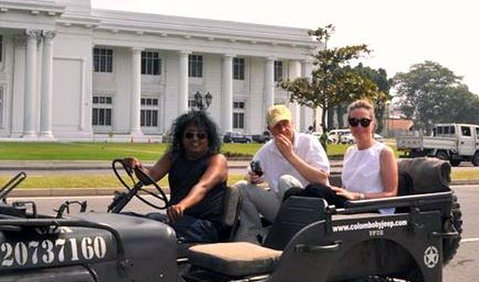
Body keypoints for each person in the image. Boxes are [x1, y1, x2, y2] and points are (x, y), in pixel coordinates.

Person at [122, 110, 228, 243]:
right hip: (177, 220)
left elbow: (202, 186)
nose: (195, 139)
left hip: (205, 227)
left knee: (152, 228)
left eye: (201, 135)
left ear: (209, 139)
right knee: (128, 220)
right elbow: (149, 177)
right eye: (189, 135)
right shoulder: (173, 156)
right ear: (182, 138)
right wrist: (136, 165)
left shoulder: (217, 160)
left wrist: (182, 205)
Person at [234, 104, 330, 242]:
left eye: (286, 124)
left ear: (293, 123)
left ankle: (290, 235)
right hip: (281, 208)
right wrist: (252, 177)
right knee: (240, 187)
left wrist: (290, 155)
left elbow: (321, 179)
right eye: (277, 126)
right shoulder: (267, 150)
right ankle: (253, 234)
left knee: (285, 181)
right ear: (270, 130)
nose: (283, 130)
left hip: (311, 208)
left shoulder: (309, 142)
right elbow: (249, 173)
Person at [331, 99, 398, 210]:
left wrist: (358, 197)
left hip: (373, 210)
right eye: (354, 122)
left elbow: (390, 194)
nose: (359, 127)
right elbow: (346, 188)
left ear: (373, 125)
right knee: (303, 192)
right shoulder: (350, 152)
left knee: (317, 190)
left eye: (365, 122)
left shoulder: (384, 152)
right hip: (349, 206)